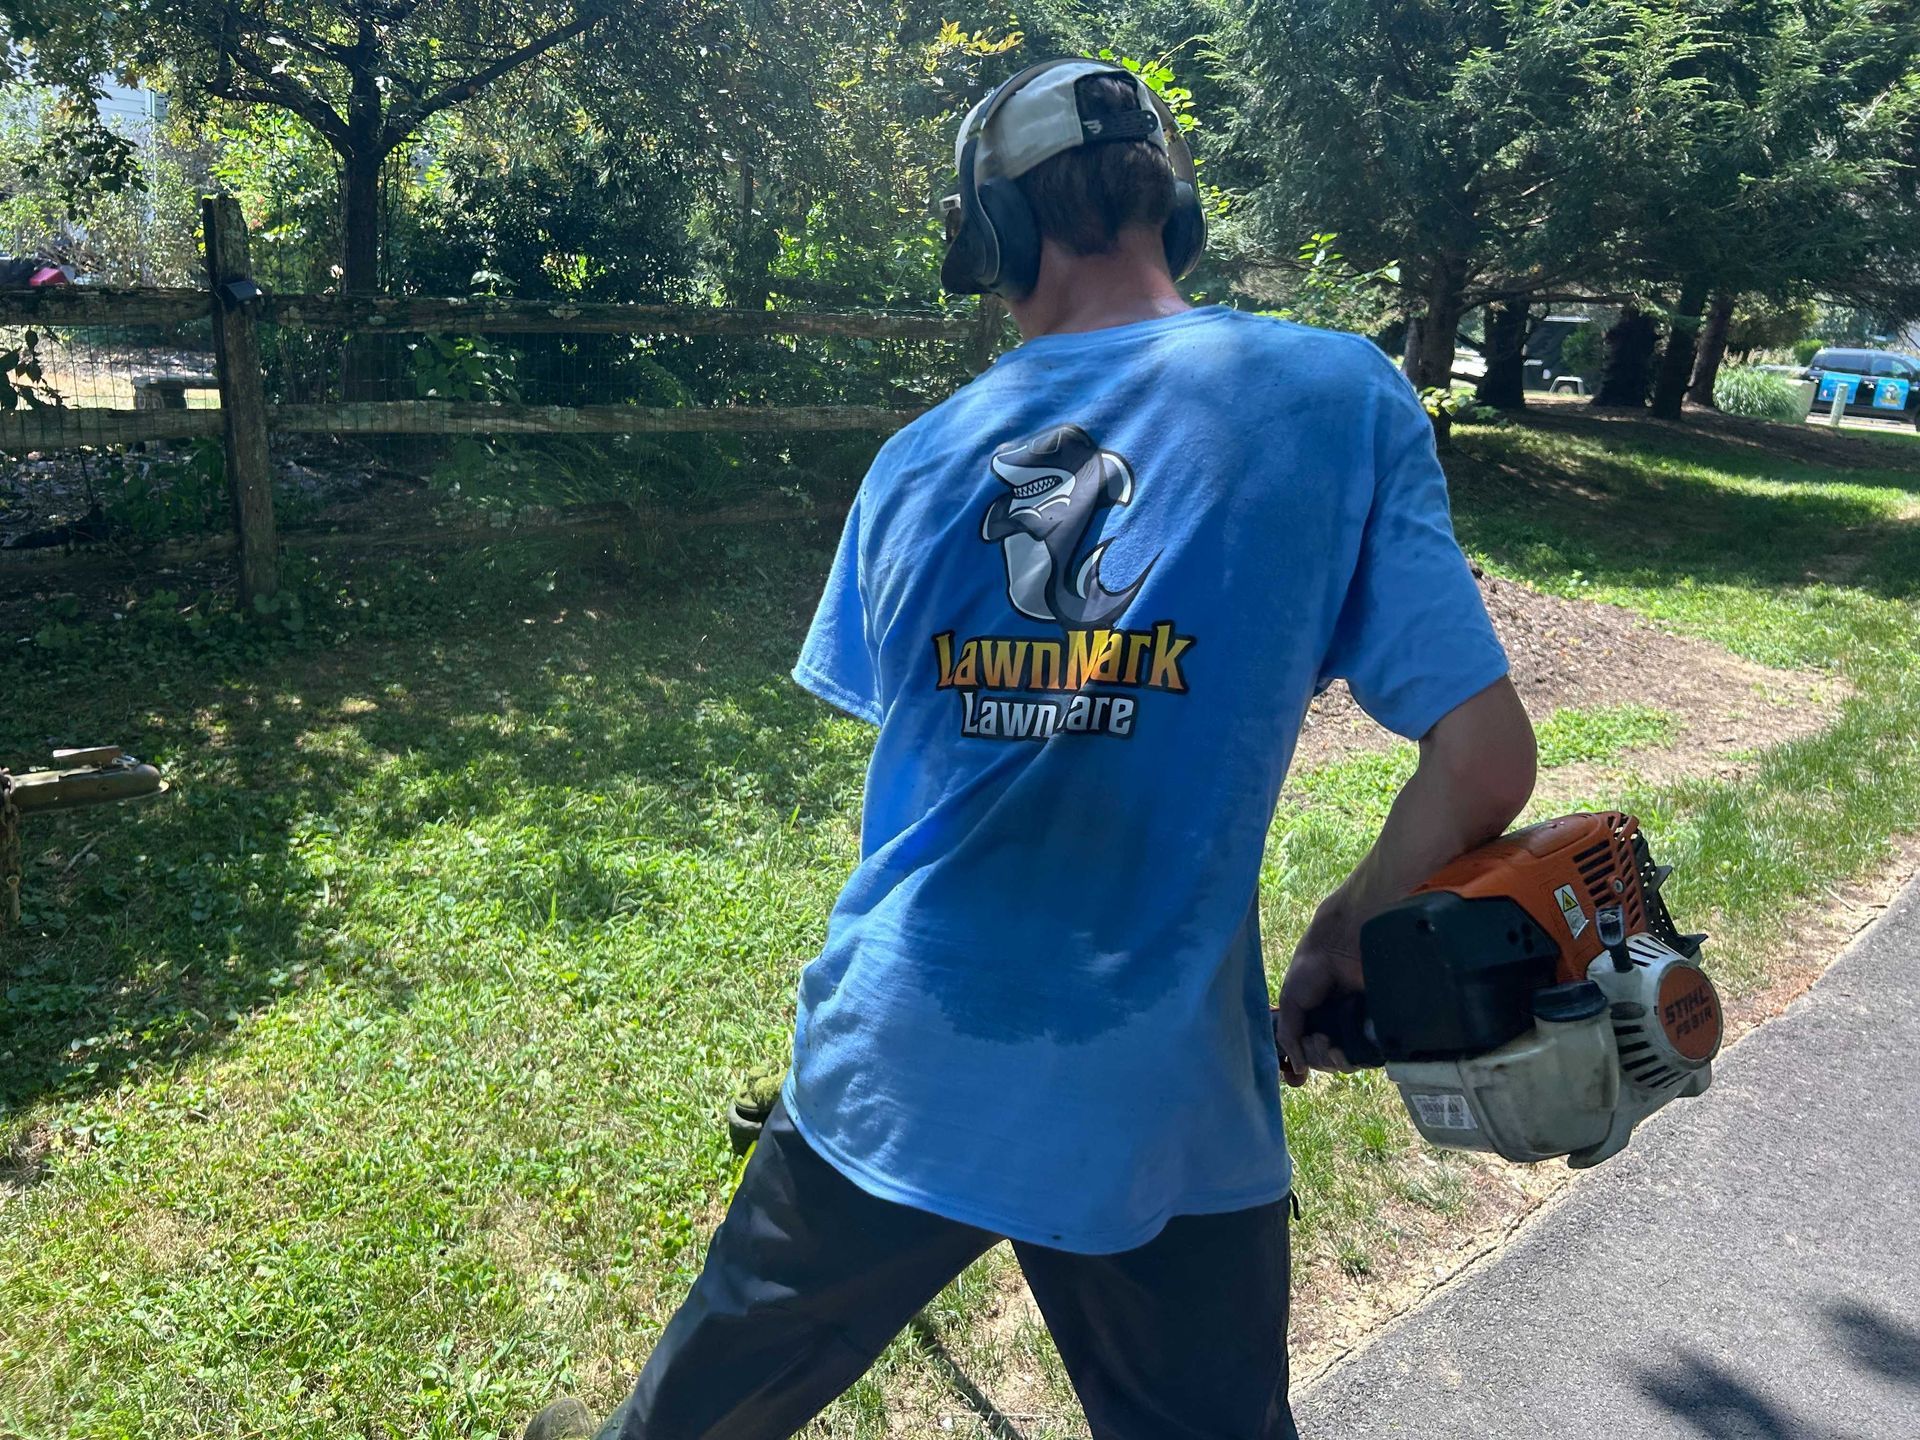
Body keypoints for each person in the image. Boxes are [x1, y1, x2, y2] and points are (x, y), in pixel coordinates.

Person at [526, 55, 1537, 1440]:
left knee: (687, 1426)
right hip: (1164, 1091)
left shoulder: (915, 462)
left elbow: (928, 754)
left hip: (900, 1058)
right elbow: (1482, 762)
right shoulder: (1338, 397)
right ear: (1173, 213)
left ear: (994, 235)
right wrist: (1351, 926)